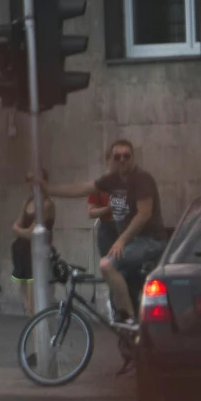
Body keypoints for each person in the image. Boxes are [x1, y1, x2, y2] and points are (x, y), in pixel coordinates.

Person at [43, 138, 167, 327]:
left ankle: (129, 317)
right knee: (120, 275)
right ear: (110, 160)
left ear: (133, 158)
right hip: (132, 241)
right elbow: (82, 188)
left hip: (149, 240)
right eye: (117, 157)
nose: (122, 160)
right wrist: (48, 189)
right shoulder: (112, 180)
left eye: (127, 156)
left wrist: (121, 241)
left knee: (107, 264)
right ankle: (131, 319)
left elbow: (144, 214)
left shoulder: (142, 179)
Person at [9, 192, 57, 292]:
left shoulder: (46, 205)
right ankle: (27, 308)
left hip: (36, 253)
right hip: (22, 253)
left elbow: (32, 233)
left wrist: (18, 231)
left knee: (34, 292)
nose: (30, 184)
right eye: (28, 180)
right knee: (24, 291)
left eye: (32, 180)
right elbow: (17, 225)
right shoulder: (28, 202)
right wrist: (24, 205)